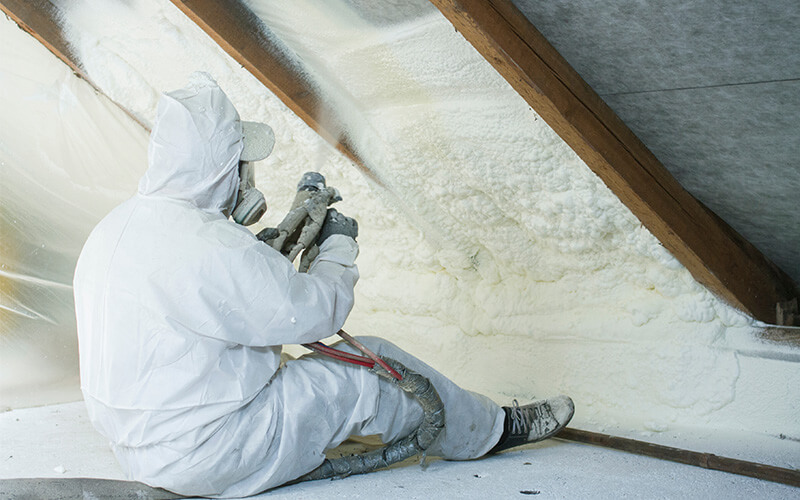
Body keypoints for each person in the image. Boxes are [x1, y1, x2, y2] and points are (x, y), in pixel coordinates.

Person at [73, 73, 574, 498]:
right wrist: (337, 249)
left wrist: (261, 255)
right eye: (240, 162)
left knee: (295, 373)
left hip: (139, 449)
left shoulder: (116, 228)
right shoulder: (213, 247)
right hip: (212, 451)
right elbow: (316, 315)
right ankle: (493, 431)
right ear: (222, 167)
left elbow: (200, 304)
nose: (245, 174)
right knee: (374, 366)